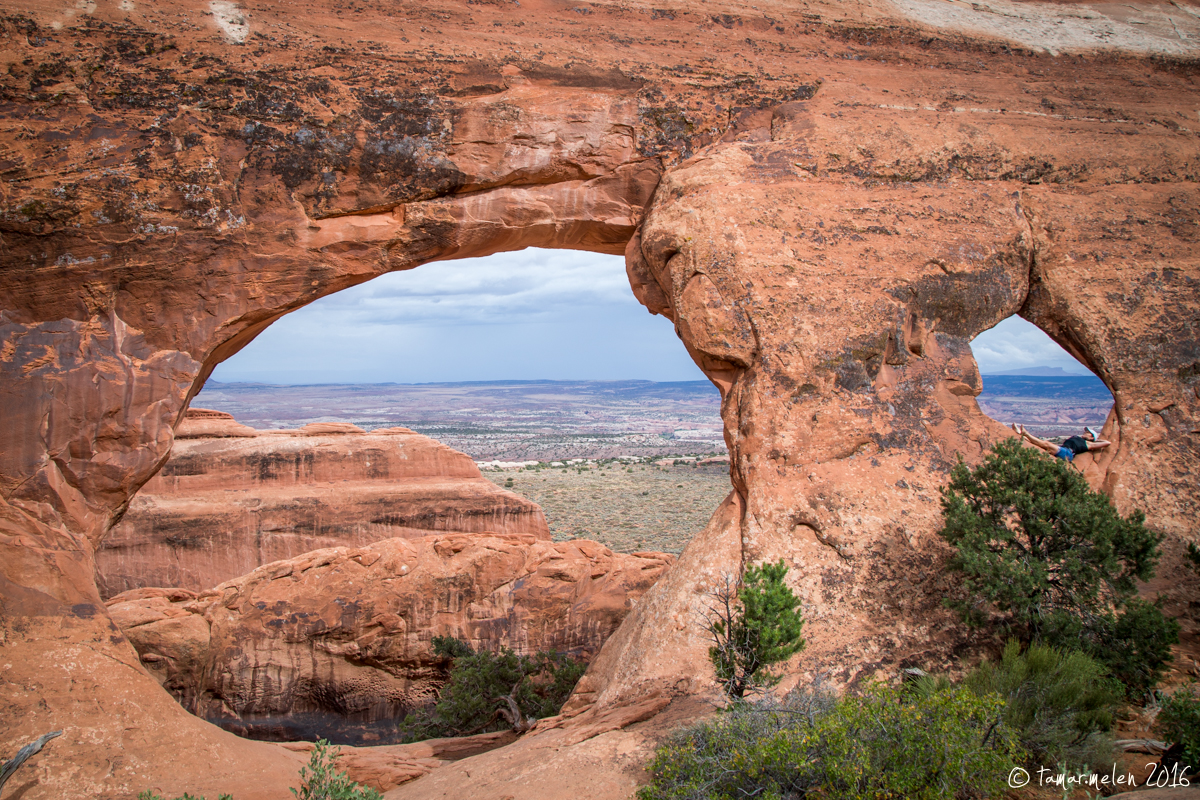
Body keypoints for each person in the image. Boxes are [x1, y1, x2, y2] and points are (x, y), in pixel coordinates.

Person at [1011, 423, 1110, 462]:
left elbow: (1107, 442)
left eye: (1088, 432)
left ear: (1091, 437)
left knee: (1046, 444)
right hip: (1063, 450)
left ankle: (1026, 433)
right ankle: (1020, 434)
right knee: (1040, 444)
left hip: (1067, 453)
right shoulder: (1079, 439)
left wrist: (1096, 440)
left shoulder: (1089, 444)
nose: (1085, 432)